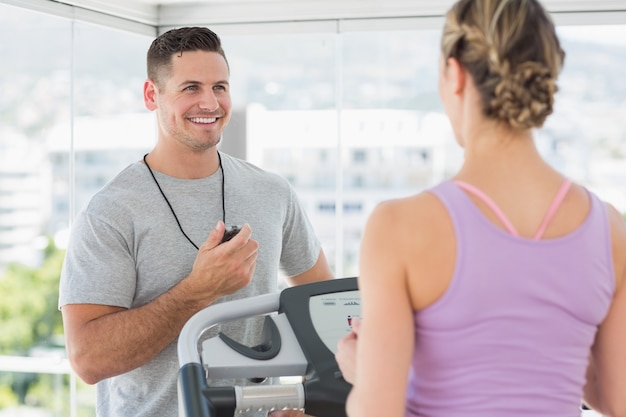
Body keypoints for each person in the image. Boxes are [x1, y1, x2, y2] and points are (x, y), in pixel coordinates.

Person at [335, 0, 626, 416]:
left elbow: (379, 411)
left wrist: (364, 372)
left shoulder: (399, 226)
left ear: (455, 74)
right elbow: (618, 400)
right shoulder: (608, 229)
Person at [58, 26, 333, 417]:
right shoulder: (112, 211)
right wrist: (197, 291)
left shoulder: (272, 192)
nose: (210, 102)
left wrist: (307, 402)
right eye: (191, 88)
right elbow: (88, 360)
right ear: (152, 96)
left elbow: (328, 312)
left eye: (219, 86)